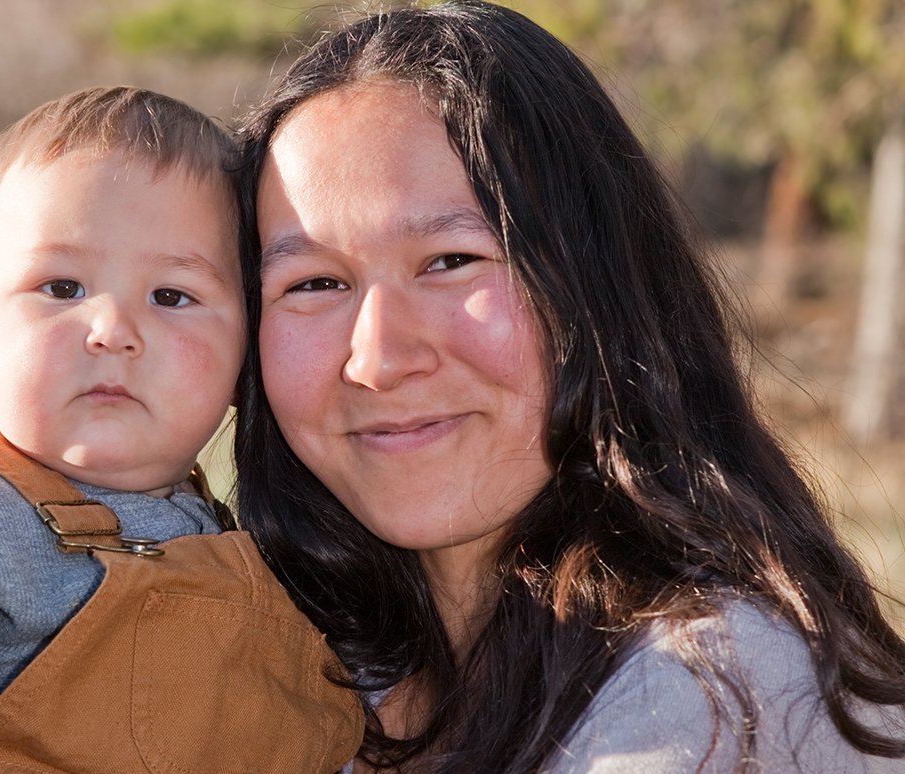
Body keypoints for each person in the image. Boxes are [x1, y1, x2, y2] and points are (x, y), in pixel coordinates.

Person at [233, 3, 905, 772]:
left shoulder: (714, 700)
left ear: (597, 282)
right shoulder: (306, 678)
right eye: (315, 282)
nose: (379, 359)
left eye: (452, 260)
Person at [0, 86, 360, 773]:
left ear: (245, 354)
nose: (112, 331)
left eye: (172, 296)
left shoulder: (256, 546)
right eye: (62, 288)